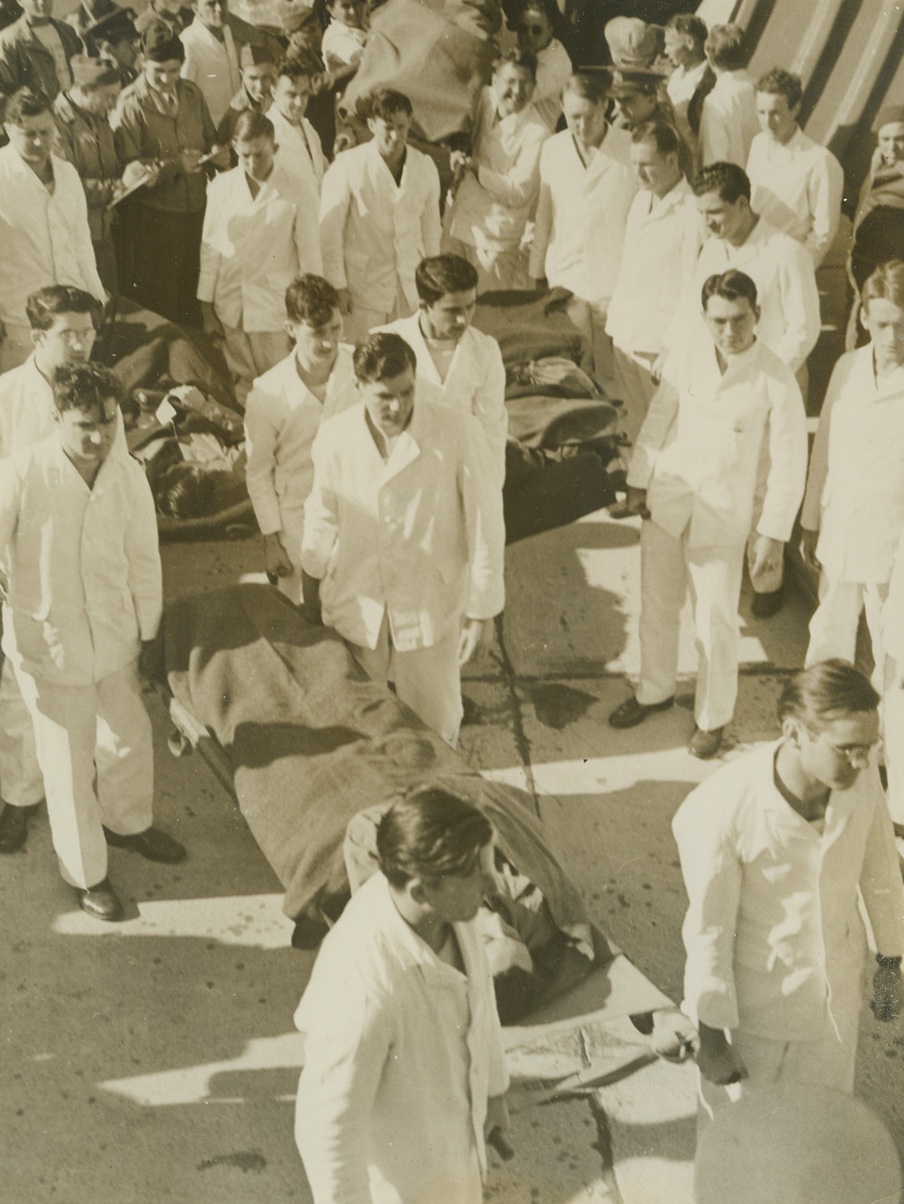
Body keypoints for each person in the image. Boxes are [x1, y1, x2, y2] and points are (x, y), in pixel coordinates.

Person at [673, 659, 904, 1122]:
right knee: (744, 1148)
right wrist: (712, 1040)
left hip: (833, 1008)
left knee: (818, 1134)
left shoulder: (858, 779)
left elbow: (881, 874)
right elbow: (708, 936)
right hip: (755, 1020)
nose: (862, 762)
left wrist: (890, 965)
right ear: (795, 733)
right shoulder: (721, 808)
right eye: (848, 749)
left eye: (869, 748)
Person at [0, 362, 185, 922]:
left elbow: (144, 560)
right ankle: (88, 874)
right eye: (83, 424)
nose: (97, 436)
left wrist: (148, 632)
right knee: (67, 763)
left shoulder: (126, 472)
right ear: (56, 418)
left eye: (107, 421)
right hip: (49, 644)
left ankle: (128, 824)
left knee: (128, 736)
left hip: (115, 636)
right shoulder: (21, 472)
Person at [609, 270, 807, 759]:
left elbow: (788, 464)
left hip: (723, 516)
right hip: (668, 500)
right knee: (656, 604)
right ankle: (653, 691)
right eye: (718, 320)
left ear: (757, 315)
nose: (729, 331)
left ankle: (712, 717)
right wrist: (638, 480)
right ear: (704, 318)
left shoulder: (775, 378)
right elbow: (658, 419)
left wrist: (772, 534)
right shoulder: (688, 358)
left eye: (739, 319)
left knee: (714, 622)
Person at [294, 785, 509, 1203]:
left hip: (452, 1159)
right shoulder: (361, 990)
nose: (495, 883)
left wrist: (494, 1091)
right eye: (475, 872)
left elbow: (482, 1002)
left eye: (490, 862)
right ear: (421, 892)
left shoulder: (452, 913)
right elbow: (327, 1135)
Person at [301, 332, 505, 744]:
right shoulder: (335, 437)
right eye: (383, 396)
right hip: (359, 604)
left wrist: (482, 612)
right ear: (358, 387)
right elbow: (321, 518)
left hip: (428, 601)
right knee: (359, 722)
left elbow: (485, 523)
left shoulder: (457, 430)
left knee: (436, 721)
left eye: (406, 391)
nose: (397, 406)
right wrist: (309, 599)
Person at [687, 161, 820, 616]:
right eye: (703, 213)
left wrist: (763, 374)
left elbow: (805, 327)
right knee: (724, 477)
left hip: (771, 382)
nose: (708, 223)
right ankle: (733, 566)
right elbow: (698, 313)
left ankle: (768, 581)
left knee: (767, 482)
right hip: (723, 384)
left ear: (743, 204)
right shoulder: (713, 250)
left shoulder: (786, 252)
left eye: (716, 213)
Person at [0, 285, 101, 856]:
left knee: (93, 676)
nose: (83, 343)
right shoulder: (7, 396)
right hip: (24, 558)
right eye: (70, 334)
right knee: (22, 683)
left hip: (85, 553)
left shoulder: (95, 390)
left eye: (88, 332)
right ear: (38, 337)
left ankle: (87, 795)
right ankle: (18, 796)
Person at [801, 261, 904, 677]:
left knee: (892, 648)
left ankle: (888, 736)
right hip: (842, 528)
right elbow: (823, 447)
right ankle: (821, 728)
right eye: (882, 325)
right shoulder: (847, 368)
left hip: (894, 543)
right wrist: (810, 519)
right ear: (863, 316)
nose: (893, 338)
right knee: (828, 634)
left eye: (902, 325)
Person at [244, 274, 356, 605]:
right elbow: (258, 471)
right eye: (317, 332)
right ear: (291, 329)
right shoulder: (268, 391)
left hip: (356, 512)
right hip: (297, 522)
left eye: (335, 329)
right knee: (302, 619)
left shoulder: (362, 368)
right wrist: (272, 541)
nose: (328, 342)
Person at [112, 21, 229, 326]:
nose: (167, 79)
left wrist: (218, 153)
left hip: (197, 211)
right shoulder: (130, 104)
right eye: (158, 71)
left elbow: (209, 136)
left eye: (174, 70)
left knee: (196, 297)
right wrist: (173, 167)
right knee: (166, 303)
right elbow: (127, 170)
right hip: (158, 220)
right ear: (142, 64)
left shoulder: (191, 93)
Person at [198, 110, 320, 402]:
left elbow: (310, 254)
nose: (252, 164)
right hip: (231, 304)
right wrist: (206, 308)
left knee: (281, 384)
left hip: (275, 306)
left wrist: (309, 311)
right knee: (241, 386)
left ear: (275, 149)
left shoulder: (298, 188)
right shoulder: (220, 188)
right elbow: (211, 248)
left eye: (260, 155)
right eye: (245, 155)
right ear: (235, 150)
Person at [529, 71, 636, 388]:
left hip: (616, 285)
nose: (581, 125)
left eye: (588, 116)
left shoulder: (631, 149)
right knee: (574, 377)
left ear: (605, 104)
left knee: (614, 378)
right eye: (573, 117)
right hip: (566, 281)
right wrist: (536, 275)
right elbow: (544, 215)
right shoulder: (553, 148)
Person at [606, 119, 702, 445]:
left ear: (672, 160)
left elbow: (693, 288)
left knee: (665, 433)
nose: (638, 174)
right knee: (635, 431)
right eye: (634, 164)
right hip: (626, 334)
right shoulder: (639, 201)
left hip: (659, 344)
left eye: (646, 165)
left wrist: (671, 349)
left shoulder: (692, 212)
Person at [320, 88, 442, 343]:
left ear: (410, 122)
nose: (396, 136)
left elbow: (432, 232)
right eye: (388, 127)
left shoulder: (424, 166)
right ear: (372, 124)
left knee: (409, 357)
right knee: (362, 357)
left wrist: (432, 284)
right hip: (363, 291)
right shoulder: (347, 166)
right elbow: (329, 232)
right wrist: (337, 285)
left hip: (409, 287)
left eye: (402, 126)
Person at [0, 86, 105, 373]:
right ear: (8, 129)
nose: (38, 141)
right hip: (21, 321)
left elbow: (82, 244)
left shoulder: (67, 174)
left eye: (45, 132)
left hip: (73, 319)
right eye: (29, 134)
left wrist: (97, 299)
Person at [379, 254, 507, 486]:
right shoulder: (386, 343)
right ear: (424, 306)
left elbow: (492, 429)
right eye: (452, 310)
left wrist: (490, 491)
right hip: (403, 477)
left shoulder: (486, 350)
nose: (463, 319)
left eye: (470, 307)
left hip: (462, 474)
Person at [443, 48, 548, 295]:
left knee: (485, 319)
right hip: (457, 226)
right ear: (494, 81)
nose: (518, 91)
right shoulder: (485, 99)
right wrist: (456, 148)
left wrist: (476, 168)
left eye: (525, 83)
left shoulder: (538, 132)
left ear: (534, 86)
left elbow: (520, 191)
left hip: (495, 243)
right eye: (510, 82)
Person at [746, 68, 843, 267]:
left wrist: (797, 268)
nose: (767, 122)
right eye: (761, 112)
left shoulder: (820, 160)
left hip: (785, 263)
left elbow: (823, 233)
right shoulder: (758, 144)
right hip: (750, 257)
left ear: (795, 109)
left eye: (775, 113)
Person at [53, 53, 130, 292]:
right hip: (76, 238)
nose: (115, 105)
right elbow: (64, 187)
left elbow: (110, 167)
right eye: (109, 97)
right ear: (85, 90)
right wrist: (119, 185)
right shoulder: (56, 125)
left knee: (108, 305)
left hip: (103, 231)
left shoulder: (98, 118)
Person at [848, 106, 904, 347]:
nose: (892, 147)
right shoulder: (874, 172)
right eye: (885, 139)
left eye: (900, 138)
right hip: (867, 279)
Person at [178, 0, 276, 127]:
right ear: (195, 7)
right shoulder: (188, 44)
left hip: (236, 127)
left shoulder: (226, 31)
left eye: (222, 1)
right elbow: (183, 104)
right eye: (211, 3)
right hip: (210, 133)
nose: (219, 8)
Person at [268, 48, 328, 203]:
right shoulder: (266, 133)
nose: (300, 103)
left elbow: (321, 170)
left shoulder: (308, 128)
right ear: (274, 92)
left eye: (304, 93)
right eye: (291, 94)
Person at [698, 24, 758, 170]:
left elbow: (714, 161)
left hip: (736, 185)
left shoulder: (716, 100)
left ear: (710, 59)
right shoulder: (761, 88)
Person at [0, 0, 83, 99]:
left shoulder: (67, 31)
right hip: (42, 112)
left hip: (77, 108)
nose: (42, 2)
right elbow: (9, 95)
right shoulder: (9, 41)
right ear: (20, 1)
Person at [515, 0, 570, 131]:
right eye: (523, 29)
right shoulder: (530, 50)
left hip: (539, 135)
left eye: (537, 30)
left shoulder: (559, 62)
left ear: (550, 29)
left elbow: (521, 95)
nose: (529, 36)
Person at [663, 12, 709, 156]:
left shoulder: (707, 80)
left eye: (670, 44)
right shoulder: (677, 75)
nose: (665, 51)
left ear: (689, 43)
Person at [215, 40, 275, 145]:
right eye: (253, 78)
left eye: (265, 77)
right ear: (242, 75)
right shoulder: (234, 114)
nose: (259, 87)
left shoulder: (282, 96)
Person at [320, 0, 365, 85]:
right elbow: (364, 57)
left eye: (356, 4)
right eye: (346, 6)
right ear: (331, 10)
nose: (353, 11)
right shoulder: (335, 39)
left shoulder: (360, 23)